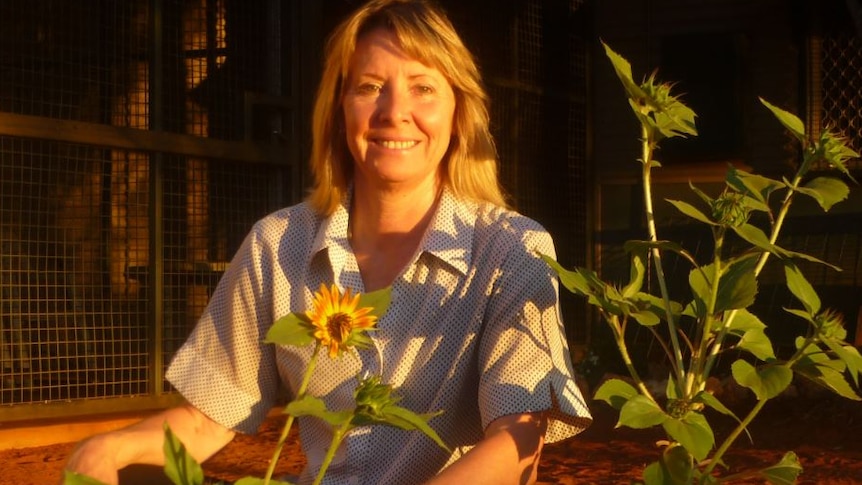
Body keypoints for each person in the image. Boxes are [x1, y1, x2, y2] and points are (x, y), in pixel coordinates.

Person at [62, 0, 592, 483]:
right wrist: (105, 448)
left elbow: (516, 441)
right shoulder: (277, 245)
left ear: (458, 113)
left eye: (423, 87)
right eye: (369, 86)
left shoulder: (512, 249)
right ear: (340, 112)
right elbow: (206, 419)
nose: (393, 111)